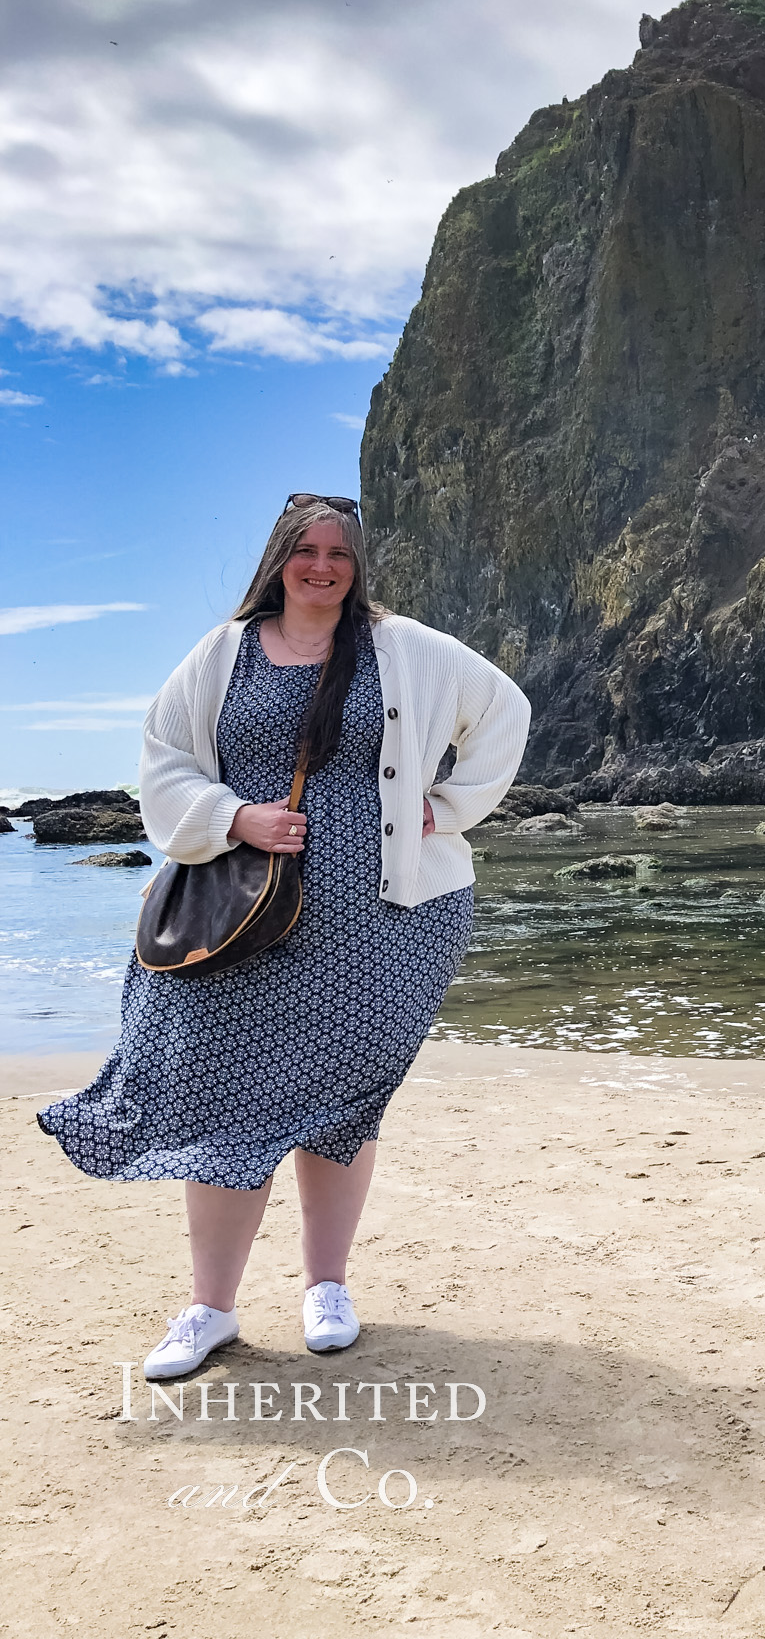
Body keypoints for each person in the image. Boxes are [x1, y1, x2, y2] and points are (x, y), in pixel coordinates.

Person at [38, 493, 530, 1379]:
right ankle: (211, 1308)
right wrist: (234, 817)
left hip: (379, 920)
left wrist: (448, 810)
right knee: (221, 1099)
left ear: (357, 563)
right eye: (306, 549)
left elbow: (505, 714)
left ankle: (326, 1288)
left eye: (340, 551)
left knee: (342, 1103)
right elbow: (164, 762)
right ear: (278, 558)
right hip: (237, 919)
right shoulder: (222, 654)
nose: (323, 566)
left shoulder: (404, 647)